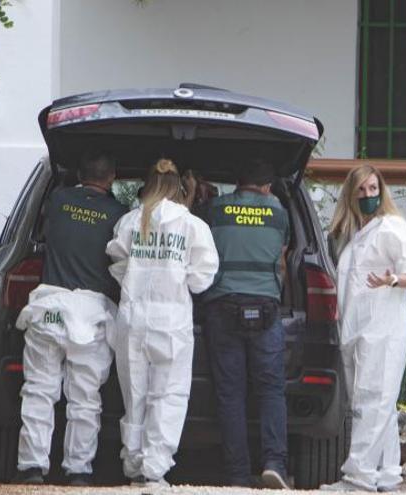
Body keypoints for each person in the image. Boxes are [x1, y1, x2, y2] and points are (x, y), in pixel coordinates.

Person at [14, 150, 128, 486]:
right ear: (112, 178)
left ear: (79, 173)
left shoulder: (59, 201)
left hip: (48, 311)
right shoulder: (119, 215)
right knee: (85, 399)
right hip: (90, 318)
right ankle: (78, 471)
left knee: (38, 391)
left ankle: (32, 467)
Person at [106, 158, 219, 487]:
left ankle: (134, 463)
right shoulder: (192, 226)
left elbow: (117, 264)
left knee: (134, 394)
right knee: (168, 395)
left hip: (133, 316)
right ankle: (154, 469)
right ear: (178, 187)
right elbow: (202, 279)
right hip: (171, 320)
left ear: (149, 184)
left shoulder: (130, 221)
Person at [320, 164, 406, 493]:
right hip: (357, 330)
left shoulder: (391, 227)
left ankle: (358, 476)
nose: (368, 196)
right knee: (381, 403)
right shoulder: (354, 236)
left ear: (382, 191)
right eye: (362, 190)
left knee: (373, 401)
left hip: (384, 328)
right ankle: (388, 474)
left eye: (373, 189)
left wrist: (392, 279)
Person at [199, 160, 291, 489]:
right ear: (267, 186)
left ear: (238, 182)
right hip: (265, 307)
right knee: (270, 391)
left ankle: (237, 475)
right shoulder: (279, 212)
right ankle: (274, 463)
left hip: (222, 306)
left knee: (230, 393)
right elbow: (282, 258)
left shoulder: (214, 209)